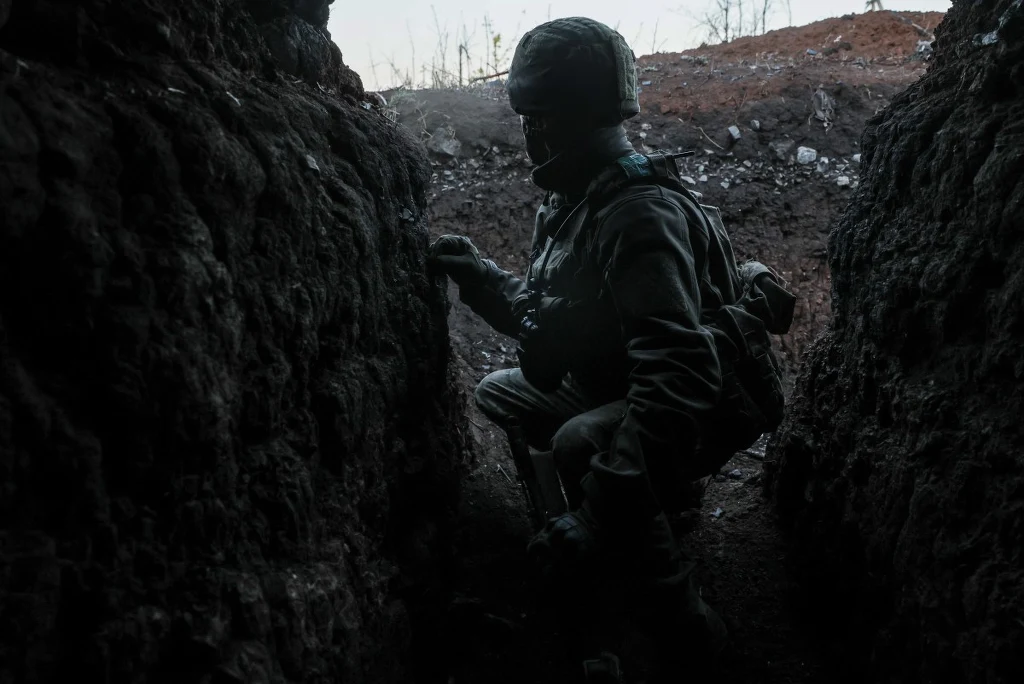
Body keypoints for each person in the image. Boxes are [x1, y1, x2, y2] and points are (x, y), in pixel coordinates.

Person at [429, 16, 793, 679]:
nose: (531, 132)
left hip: (704, 403)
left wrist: (600, 515)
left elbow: (679, 372)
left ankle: (691, 631)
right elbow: (559, 319)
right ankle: (595, 531)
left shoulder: (636, 213)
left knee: (579, 444)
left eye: (544, 115)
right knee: (502, 393)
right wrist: (478, 275)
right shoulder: (578, 199)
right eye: (527, 116)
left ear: (584, 113)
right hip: (625, 383)